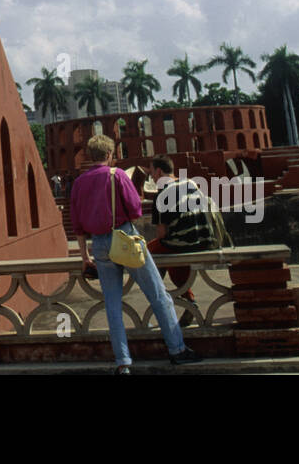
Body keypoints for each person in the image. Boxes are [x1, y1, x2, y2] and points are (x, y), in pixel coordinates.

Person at [70, 134, 202, 374]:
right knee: (158, 296)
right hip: (124, 239)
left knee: (112, 305)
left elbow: (77, 226)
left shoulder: (79, 182)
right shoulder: (116, 175)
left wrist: (84, 257)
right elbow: (134, 211)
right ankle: (177, 350)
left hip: (98, 246)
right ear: (110, 155)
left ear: (90, 156)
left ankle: (123, 362)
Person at [146, 156, 231, 326]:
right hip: (206, 241)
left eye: (152, 174)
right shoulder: (191, 184)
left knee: (146, 252)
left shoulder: (161, 194)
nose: (152, 178)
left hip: (184, 244)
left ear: (159, 171)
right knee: (172, 257)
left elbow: (162, 234)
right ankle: (184, 299)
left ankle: (160, 297)